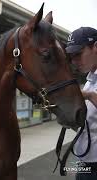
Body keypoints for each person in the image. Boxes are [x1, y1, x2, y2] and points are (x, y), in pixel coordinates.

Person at [66, 27, 97, 180]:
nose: (74, 62)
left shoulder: (89, 88)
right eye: (71, 57)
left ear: (96, 47)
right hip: (85, 162)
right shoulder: (90, 80)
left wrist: (90, 96)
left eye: (78, 54)